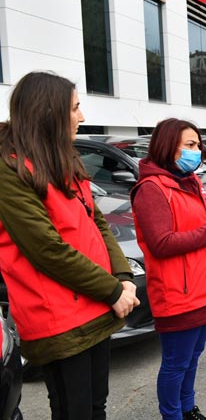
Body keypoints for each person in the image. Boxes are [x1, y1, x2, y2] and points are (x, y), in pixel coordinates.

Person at [0, 71, 140, 419]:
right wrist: (112, 290)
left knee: (96, 407)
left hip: (94, 305)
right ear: (48, 113)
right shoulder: (10, 169)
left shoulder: (63, 158)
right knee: (73, 412)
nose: (82, 117)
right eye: (75, 109)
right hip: (58, 318)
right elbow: (46, 248)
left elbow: (97, 221)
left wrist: (122, 275)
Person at [131, 118, 206, 420]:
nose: (197, 151)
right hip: (178, 293)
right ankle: (172, 416)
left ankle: (188, 409)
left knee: (193, 358)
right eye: (189, 145)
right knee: (175, 364)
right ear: (166, 146)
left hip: (204, 288)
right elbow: (161, 243)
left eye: (198, 145)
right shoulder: (152, 188)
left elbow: (194, 226)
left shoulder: (189, 182)